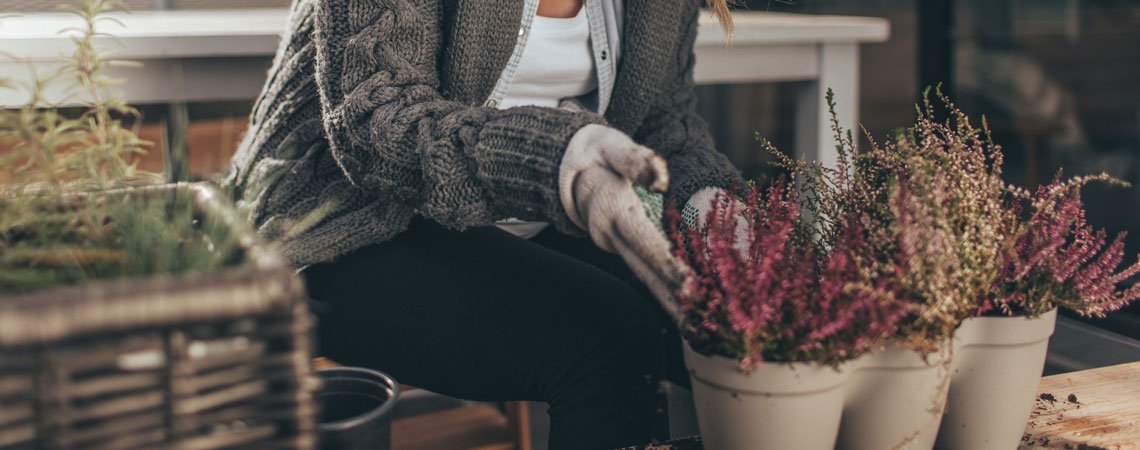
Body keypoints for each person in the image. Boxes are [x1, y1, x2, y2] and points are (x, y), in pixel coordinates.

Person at [224, 0, 743, 448]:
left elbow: (666, 122)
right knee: (613, 338)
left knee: (734, 317)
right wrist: (557, 159)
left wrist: (709, 209)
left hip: (527, 219)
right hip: (337, 223)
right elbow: (374, 120)